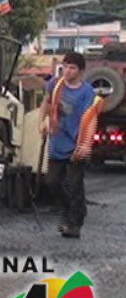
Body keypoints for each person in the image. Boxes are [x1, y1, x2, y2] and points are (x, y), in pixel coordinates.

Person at [39, 51, 98, 238]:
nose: (68, 71)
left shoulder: (87, 92)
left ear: (80, 71)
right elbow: (46, 103)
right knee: (52, 182)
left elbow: (88, 118)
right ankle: (71, 210)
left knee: (74, 185)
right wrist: (42, 121)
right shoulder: (55, 85)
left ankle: (74, 223)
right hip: (58, 143)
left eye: (72, 67)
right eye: (66, 66)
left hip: (78, 144)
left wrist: (83, 144)